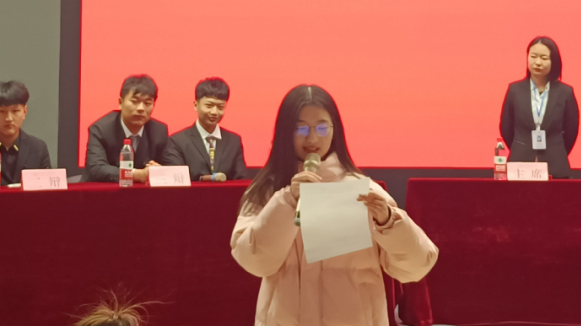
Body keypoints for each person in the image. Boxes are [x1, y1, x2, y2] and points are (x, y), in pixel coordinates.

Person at [231, 85, 438, 326]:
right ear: (285, 132)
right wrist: (287, 202)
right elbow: (254, 261)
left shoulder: (363, 190)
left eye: (321, 128)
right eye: (301, 128)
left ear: (334, 130)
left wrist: (389, 222)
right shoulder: (267, 191)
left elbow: (416, 266)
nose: (312, 138)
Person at [499, 36, 580, 179]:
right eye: (533, 56)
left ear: (553, 61)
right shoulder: (515, 90)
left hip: (555, 164)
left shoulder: (565, 92)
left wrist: (557, 150)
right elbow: (506, 127)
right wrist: (522, 146)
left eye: (544, 58)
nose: (537, 62)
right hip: (520, 164)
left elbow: (571, 131)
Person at [84, 75, 175, 183]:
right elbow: (97, 168)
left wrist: (160, 170)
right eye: (134, 101)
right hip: (104, 191)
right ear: (120, 103)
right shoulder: (101, 130)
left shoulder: (159, 131)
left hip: (143, 193)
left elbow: (174, 167)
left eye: (147, 103)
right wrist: (137, 175)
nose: (141, 108)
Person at [164, 77, 248, 181]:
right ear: (196, 105)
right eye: (209, 106)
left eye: (220, 107)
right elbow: (178, 180)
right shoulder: (177, 141)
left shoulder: (233, 141)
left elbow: (241, 180)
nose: (214, 112)